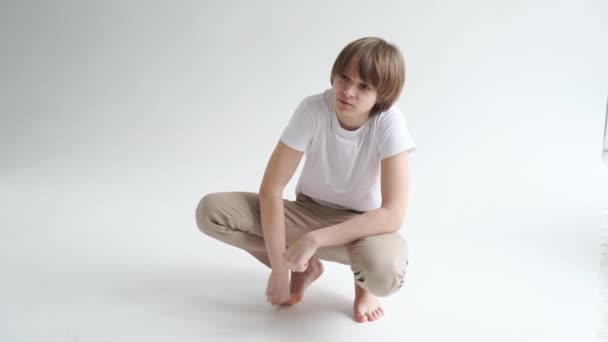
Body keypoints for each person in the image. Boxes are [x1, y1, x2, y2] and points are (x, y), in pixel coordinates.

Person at [195, 37, 416, 323]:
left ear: (383, 95)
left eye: (364, 86)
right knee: (211, 212)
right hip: (307, 213)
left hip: (362, 227)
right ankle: (303, 268)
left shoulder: (389, 123)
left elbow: (392, 215)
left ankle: (364, 287)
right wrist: (279, 270)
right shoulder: (313, 109)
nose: (347, 91)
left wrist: (315, 239)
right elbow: (271, 190)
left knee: (384, 274)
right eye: (344, 77)